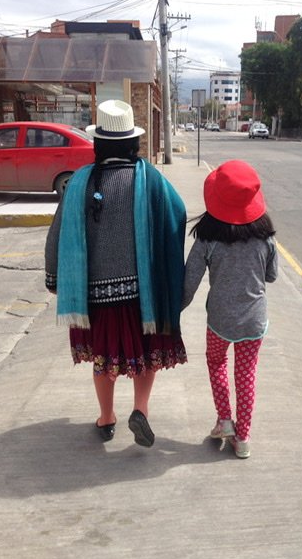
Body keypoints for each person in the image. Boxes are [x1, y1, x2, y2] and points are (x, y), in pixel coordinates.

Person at [45, 100, 187, 447]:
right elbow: (179, 212)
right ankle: (140, 410)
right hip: (144, 295)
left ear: (99, 142)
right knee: (147, 353)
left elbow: (57, 232)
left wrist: (54, 278)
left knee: (103, 358)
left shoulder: (79, 181)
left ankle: (107, 418)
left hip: (94, 296)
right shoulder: (149, 178)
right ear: (131, 141)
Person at [182, 160, 278, 458]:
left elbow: (190, 282)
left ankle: (225, 420)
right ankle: (244, 438)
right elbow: (271, 276)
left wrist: (176, 310)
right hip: (254, 319)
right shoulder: (266, 237)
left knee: (216, 362)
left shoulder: (208, 238)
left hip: (220, 320)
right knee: (247, 373)